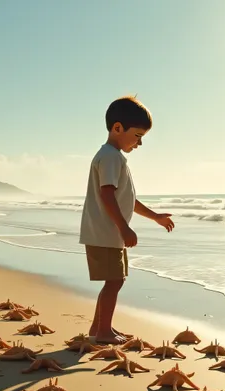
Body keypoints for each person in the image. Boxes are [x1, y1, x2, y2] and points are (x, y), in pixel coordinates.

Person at [79, 95, 175, 344]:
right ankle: (103, 331)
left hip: (107, 232)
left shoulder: (114, 157)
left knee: (114, 280)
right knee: (115, 281)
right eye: (137, 136)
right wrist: (124, 228)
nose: (139, 143)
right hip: (107, 232)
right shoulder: (110, 157)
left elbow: (128, 199)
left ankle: (97, 329)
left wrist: (154, 217)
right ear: (118, 128)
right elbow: (107, 194)